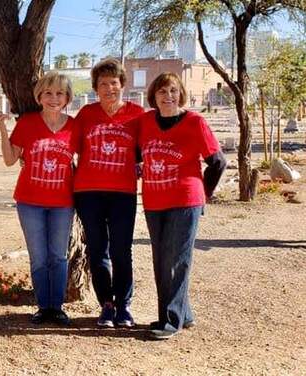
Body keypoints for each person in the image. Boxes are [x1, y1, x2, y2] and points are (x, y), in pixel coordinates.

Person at [136, 73, 226, 340]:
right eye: (162, 91)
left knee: (176, 261)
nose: (168, 96)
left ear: (181, 93)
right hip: (154, 201)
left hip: (184, 201)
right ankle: (183, 314)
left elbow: (218, 162)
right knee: (161, 261)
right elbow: (136, 153)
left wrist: (203, 194)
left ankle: (170, 320)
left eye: (173, 90)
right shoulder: (145, 122)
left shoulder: (195, 122)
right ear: (153, 95)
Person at [0, 71, 78, 327]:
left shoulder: (75, 126)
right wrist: (2, 128)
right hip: (30, 201)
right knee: (39, 256)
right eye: (48, 93)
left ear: (67, 98)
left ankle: (58, 307)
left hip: (63, 202)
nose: (54, 98)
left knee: (58, 256)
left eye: (60, 93)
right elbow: (9, 159)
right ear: (40, 96)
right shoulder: (28, 123)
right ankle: (44, 307)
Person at [73, 58, 144, 328]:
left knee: (121, 250)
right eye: (103, 84)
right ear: (95, 88)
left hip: (123, 192)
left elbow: (151, 145)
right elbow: (69, 146)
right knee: (97, 249)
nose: (109, 89)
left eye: (113, 83)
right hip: (88, 192)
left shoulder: (137, 114)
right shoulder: (86, 115)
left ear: (122, 85)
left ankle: (124, 305)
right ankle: (106, 304)